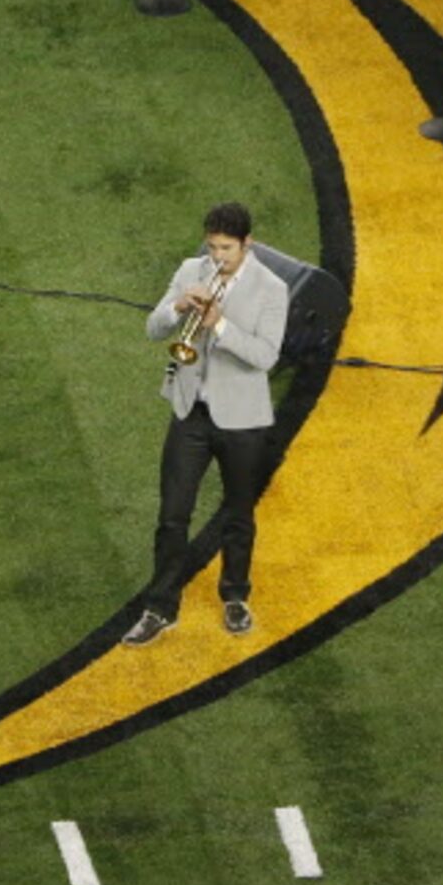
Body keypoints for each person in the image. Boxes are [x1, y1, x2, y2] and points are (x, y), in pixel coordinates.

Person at [120, 202, 290, 646]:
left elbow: (266, 356)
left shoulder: (271, 289)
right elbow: (154, 329)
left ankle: (235, 596)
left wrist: (220, 326)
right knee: (172, 514)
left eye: (227, 249)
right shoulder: (191, 270)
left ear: (247, 243)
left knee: (238, 513)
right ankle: (160, 607)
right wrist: (179, 305)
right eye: (213, 246)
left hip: (243, 420)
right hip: (190, 412)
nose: (218, 257)